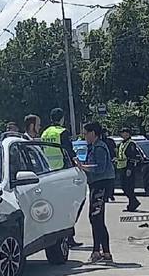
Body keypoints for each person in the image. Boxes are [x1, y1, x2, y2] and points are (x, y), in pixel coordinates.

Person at [74, 122, 115, 263]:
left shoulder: (100, 147)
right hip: (95, 184)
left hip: (101, 184)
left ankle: (101, 251)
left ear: (93, 133)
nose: (84, 136)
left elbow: (100, 168)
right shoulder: (92, 147)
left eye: (85, 133)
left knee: (96, 217)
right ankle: (100, 251)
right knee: (95, 218)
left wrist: (83, 167)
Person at [41, 108, 81, 247]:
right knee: (67, 207)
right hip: (62, 172)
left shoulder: (45, 133)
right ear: (62, 118)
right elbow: (69, 151)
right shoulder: (62, 132)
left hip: (47, 173)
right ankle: (68, 237)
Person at [117, 128, 141, 212]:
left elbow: (132, 157)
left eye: (124, 133)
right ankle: (133, 202)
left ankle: (133, 203)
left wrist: (129, 169)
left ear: (128, 134)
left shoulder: (131, 144)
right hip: (122, 167)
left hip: (128, 168)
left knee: (129, 187)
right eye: (122, 133)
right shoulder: (122, 143)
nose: (122, 134)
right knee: (124, 187)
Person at [101, 128, 117, 202]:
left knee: (110, 180)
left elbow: (115, 150)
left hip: (111, 161)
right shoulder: (100, 142)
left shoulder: (110, 141)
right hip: (104, 162)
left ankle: (110, 194)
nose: (105, 134)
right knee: (105, 180)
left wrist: (115, 158)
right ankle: (106, 195)